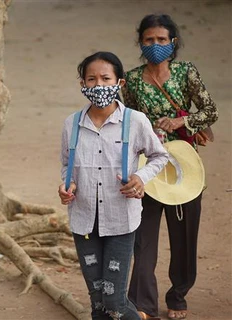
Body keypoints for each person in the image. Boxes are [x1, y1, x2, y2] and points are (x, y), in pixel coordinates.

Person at [122, 14, 219, 320]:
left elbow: (210, 110)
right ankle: (143, 304)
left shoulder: (186, 72)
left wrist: (182, 121)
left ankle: (178, 295)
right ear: (141, 42)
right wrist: (151, 130)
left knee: (184, 236)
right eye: (149, 40)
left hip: (185, 166)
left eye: (162, 40)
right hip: (148, 165)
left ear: (173, 43)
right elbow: (127, 121)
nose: (155, 45)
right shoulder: (132, 79)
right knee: (143, 238)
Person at [58, 51, 168, 319]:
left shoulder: (135, 121)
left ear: (119, 83)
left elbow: (160, 155)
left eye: (106, 78)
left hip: (120, 220)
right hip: (84, 221)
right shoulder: (71, 124)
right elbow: (65, 165)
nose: (99, 85)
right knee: (97, 300)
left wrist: (141, 178)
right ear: (82, 84)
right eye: (91, 79)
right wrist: (66, 184)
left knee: (114, 300)